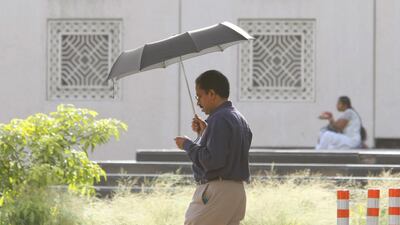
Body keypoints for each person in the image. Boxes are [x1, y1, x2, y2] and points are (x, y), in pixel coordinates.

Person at [175, 70, 252, 225]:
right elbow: (228, 151)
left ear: (211, 94)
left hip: (217, 191)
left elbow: (212, 160)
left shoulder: (219, 118)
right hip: (236, 192)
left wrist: (187, 145)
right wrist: (205, 132)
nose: (198, 102)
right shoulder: (239, 118)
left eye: (199, 96)